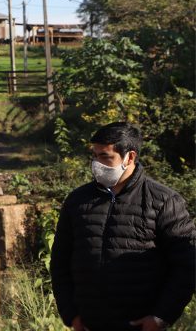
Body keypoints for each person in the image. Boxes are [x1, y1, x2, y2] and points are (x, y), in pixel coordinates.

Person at [50, 121, 195, 331]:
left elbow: (187, 266)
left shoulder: (163, 201)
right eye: (95, 155)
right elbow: (60, 261)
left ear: (130, 157)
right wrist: (70, 314)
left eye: (105, 157)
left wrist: (160, 317)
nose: (97, 164)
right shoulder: (77, 200)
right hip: (90, 323)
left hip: (139, 324)